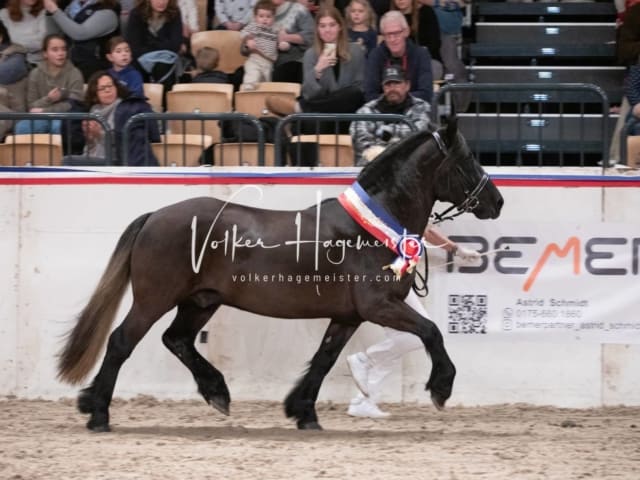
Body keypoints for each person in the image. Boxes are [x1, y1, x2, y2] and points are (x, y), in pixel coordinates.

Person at [347, 226, 480, 418]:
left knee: (402, 341)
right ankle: (365, 360)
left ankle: (364, 400)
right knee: (420, 336)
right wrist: (457, 250)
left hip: (392, 277)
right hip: (389, 281)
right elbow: (427, 230)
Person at [266, 5, 365, 119]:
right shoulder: (311, 54)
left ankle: (301, 108)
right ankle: (305, 110)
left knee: (354, 93)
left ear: (340, 27)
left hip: (348, 112)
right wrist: (317, 70)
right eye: (322, 26)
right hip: (321, 116)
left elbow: (361, 88)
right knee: (315, 119)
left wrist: (338, 98)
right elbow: (308, 94)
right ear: (317, 29)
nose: (327, 30)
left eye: (332, 25)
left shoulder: (356, 51)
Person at [350, 65, 430, 165]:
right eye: (388, 85)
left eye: (397, 83)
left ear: (407, 85)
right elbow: (361, 143)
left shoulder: (421, 107)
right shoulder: (366, 110)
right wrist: (393, 146)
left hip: (409, 166)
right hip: (373, 168)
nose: (392, 89)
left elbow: (419, 134)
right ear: (383, 87)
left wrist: (386, 133)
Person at [76, 70, 159, 165]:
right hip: (96, 156)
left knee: (69, 161)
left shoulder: (123, 109)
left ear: (116, 88)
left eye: (110, 86)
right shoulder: (93, 111)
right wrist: (90, 138)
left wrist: (99, 134)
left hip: (115, 159)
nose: (108, 90)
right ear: (95, 94)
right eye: (102, 88)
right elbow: (90, 148)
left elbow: (121, 142)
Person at [15, 33, 83, 134]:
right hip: (41, 117)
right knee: (22, 127)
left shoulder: (75, 73)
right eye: (55, 50)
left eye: (63, 49)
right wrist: (49, 99)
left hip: (64, 116)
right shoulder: (35, 73)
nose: (61, 53)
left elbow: (73, 104)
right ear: (45, 53)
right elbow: (32, 106)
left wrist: (44, 110)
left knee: (57, 125)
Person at [364, 10, 433, 103]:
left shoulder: (421, 54)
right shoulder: (375, 55)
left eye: (396, 33)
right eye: (388, 34)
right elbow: (370, 95)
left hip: (414, 110)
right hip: (384, 112)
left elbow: (426, 93)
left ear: (406, 32)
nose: (392, 39)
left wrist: (397, 97)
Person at [43, 0, 120, 80]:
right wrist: (50, 13)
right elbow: (54, 35)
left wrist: (55, 11)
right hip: (70, 66)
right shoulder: (70, 8)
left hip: (95, 71)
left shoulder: (107, 12)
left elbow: (80, 33)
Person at [421, 0, 470, 111]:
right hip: (423, 24)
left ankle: (459, 115)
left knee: (455, 69)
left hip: (446, 30)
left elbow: (464, 2)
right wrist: (439, 3)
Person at [125, 0, 183, 92]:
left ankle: (165, 104)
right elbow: (134, 47)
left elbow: (175, 45)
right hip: (140, 59)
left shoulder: (174, 13)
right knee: (135, 69)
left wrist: (151, 45)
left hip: (166, 59)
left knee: (163, 67)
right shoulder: (136, 14)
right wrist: (162, 45)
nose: (161, 2)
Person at [390, 0, 442, 81]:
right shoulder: (390, 17)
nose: (400, 0)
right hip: (398, 61)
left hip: (427, 59)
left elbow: (434, 43)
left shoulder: (426, 12)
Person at [270, 0, 314, 83]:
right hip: (264, 60)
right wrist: (248, 44)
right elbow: (245, 46)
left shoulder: (299, 9)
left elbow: (310, 37)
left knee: (282, 73)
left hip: (294, 61)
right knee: (240, 74)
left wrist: (286, 37)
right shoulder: (261, 8)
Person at [240, 0, 279, 91]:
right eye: (261, 16)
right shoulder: (254, 26)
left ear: (273, 18)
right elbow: (242, 33)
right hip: (255, 58)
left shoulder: (276, 28)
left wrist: (284, 44)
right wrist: (248, 40)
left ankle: (262, 97)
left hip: (269, 62)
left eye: (268, 16)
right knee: (252, 73)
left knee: (265, 83)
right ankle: (248, 87)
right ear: (255, 17)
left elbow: (281, 38)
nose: (265, 19)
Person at [0, 0, 47, 66]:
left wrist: (16, 48)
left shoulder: (43, 12)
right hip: (14, 58)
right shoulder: (4, 13)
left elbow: (42, 43)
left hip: (37, 63)